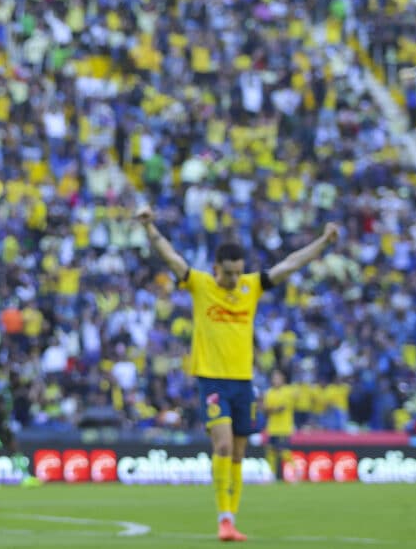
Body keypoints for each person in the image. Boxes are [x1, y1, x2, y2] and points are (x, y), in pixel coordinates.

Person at [137, 204, 338, 542]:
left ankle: (232, 518)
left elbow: (291, 263)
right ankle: (224, 519)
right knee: (224, 446)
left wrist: (323, 242)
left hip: (243, 382)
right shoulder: (200, 284)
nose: (232, 280)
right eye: (227, 274)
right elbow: (171, 258)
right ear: (216, 268)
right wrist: (150, 229)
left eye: (237, 273)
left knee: (240, 453)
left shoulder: (251, 286)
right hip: (213, 379)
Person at [0, 380, 41, 490]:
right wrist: (1, 425)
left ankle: (25, 478)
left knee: (15, 450)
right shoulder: (1, 398)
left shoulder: (7, 398)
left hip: (4, 430)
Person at [262, 369, 295, 481]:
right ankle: (271, 474)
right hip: (272, 427)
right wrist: (271, 409)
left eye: (277, 378)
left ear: (283, 379)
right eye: (274, 378)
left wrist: (271, 409)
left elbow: (282, 408)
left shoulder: (288, 391)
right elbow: (265, 410)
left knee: (283, 451)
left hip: (284, 428)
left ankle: (294, 472)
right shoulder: (269, 392)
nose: (275, 380)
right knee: (271, 451)